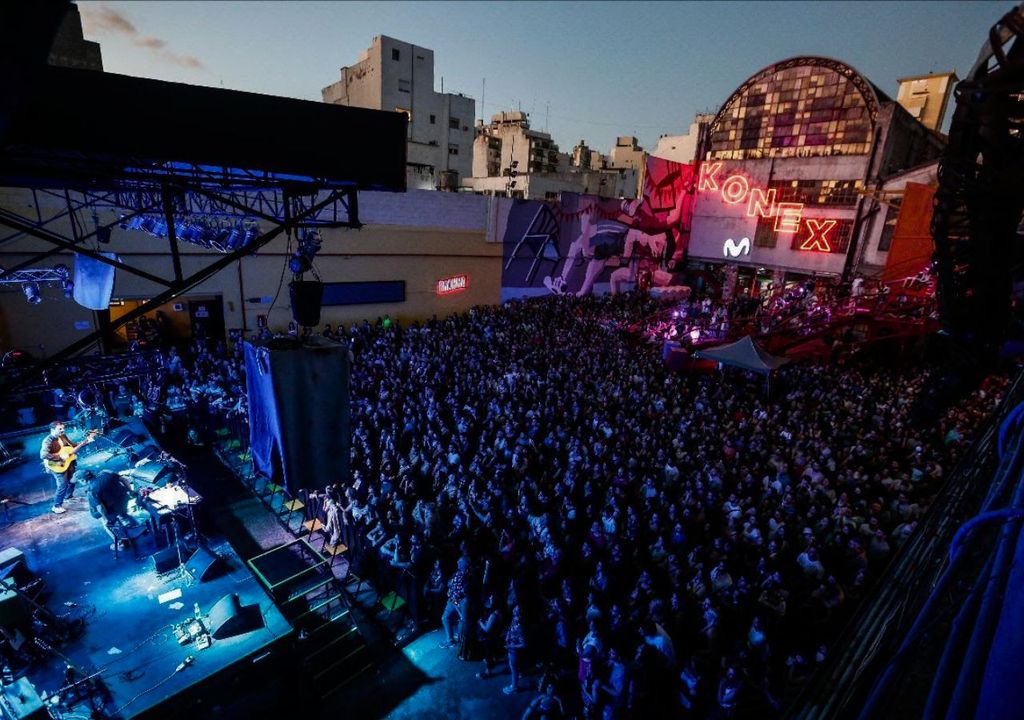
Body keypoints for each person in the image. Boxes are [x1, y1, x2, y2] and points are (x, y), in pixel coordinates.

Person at [39, 421, 95, 515]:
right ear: (52, 430)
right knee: (62, 485)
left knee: (73, 479)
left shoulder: (63, 436)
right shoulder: (47, 440)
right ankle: (56, 506)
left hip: (69, 463)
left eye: (63, 428)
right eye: (60, 429)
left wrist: (86, 441)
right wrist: (59, 457)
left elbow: (72, 446)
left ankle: (69, 497)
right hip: (57, 465)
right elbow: (43, 455)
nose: (63, 430)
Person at [505, 604, 527, 695]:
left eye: (516, 612)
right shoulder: (514, 621)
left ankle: (514, 687)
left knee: (514, 668)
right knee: (514, 667)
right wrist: (507, 636)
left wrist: (511, 647)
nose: (514, 612)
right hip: (511, 648)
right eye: (514, 611)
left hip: (514, 651)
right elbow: (510, 629)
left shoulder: (520, 626)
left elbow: (524, 644)